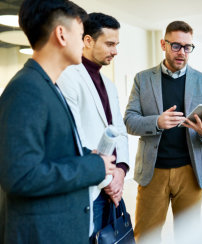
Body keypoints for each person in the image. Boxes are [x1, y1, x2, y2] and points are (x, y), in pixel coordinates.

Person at [0, 1, 116, 243]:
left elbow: (52, 151)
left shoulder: (48, 86)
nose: (84, 40)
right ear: (61, 34)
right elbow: (21, 176)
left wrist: (87, 154)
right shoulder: (26, 89)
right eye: (81, 32)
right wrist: (94, 167)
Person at [124, 20, 202, 241]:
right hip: (153, 172)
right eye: (176, 45)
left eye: (188, 47)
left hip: (191, 172)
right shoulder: (143, 79)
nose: (182, 53)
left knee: (190, 236)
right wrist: (157, 122)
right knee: (146, 236)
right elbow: (129, 121)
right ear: (163, 44)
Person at [57, 12, 129, 242]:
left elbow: (120, 129)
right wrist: (108, 182)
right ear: (88, 40)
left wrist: (122, 170)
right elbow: (75, 138)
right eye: (109, 44)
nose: (115, 51)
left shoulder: (109, 84)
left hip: (114, 182)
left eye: (116, 44)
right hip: (92, 187)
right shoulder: (68, 76)